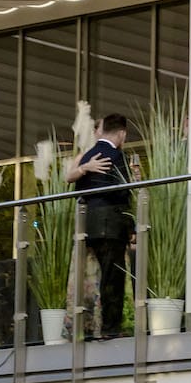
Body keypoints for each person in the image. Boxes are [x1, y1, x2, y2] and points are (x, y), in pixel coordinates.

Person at [66, 113, 136, 338]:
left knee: (90, 276)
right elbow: (123, 192)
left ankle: (85, 326)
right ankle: (109, 328)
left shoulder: (88, 156)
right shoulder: (118, 157)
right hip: (111, 224)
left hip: (87, 224)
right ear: (122, 134)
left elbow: (72, 182)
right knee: (111, 278)